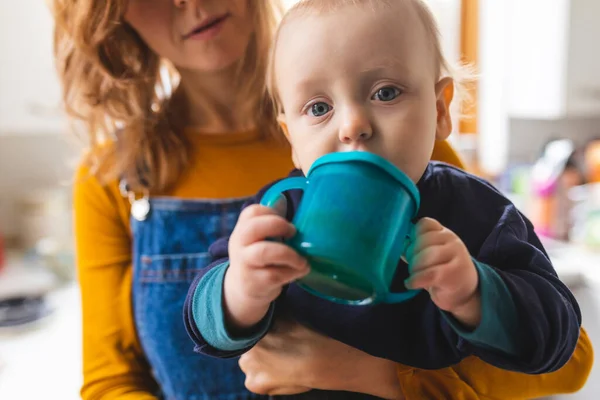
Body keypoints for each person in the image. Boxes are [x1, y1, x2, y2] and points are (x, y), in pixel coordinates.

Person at [51, 0, 592, 398]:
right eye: (317, 107)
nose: (354, 125)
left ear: (439, 108)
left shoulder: (449, 185)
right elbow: (122, 375)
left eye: (385, 93)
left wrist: (474, 296)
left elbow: (565, 357)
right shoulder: (271, 202)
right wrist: (238, 290)